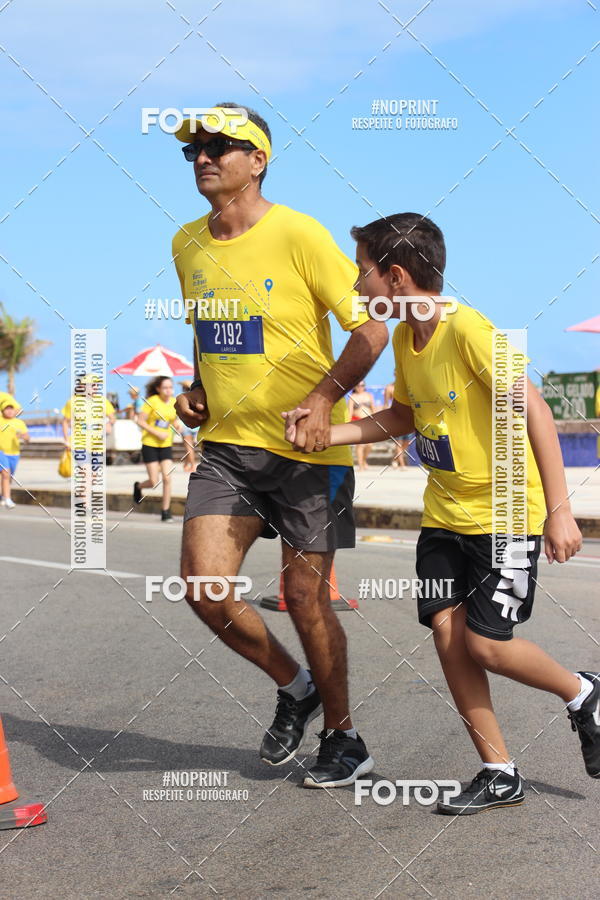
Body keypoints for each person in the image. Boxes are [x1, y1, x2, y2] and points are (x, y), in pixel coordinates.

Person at [284, 212, 600, 812]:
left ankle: (584, 692)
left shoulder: (468, 331)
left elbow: (533, 407)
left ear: (397, 277)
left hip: (504, 514)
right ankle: (498, 770)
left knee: (488, 646)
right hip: (443, 517)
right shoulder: (407, 337)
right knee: (448, 637)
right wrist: (335, 433)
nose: (356, 288)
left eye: (362, 274)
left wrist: (561, 511)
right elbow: (402, 416)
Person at [172, 102, 388, 787]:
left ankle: (345, 737)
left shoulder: (300, 234)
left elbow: (372, 328)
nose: (204, 157)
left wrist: (324, 399)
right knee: (205, 589)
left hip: (308, 455)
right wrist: (198, 388)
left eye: (220, 146)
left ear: (258, 159)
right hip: (230, 450)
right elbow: (209, 332)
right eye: (193, 150)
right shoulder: (185, 243)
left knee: (306, 598)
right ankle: (295, 687)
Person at [133, 376, 183, 522]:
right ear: (158, 389)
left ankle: (166, 511)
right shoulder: (152, 401)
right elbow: (140, 421)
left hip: (166, 444)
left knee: (167, 478)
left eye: (171, 387)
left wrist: (177, 424)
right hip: (150, 444)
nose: (169, 390)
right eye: (165, 387)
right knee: (154, 481)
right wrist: (156, 433)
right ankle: (139, 486)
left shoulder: (174, 402)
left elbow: (174, 420)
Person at [62, 380, 116, 449]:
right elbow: (65, 422)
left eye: (97, 385)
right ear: (83, 386)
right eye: (93, 385)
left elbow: (113, 418)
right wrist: (66, 440)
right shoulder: (73, 401)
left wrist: (108, 423)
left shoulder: (103, 401)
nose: (96, 387)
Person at [0, 400, 29, 507]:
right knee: (5, 473)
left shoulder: (19, 423)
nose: (9, 411)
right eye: (7, 408)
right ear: (2, 410)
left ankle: (3, 496)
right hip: (1, 452)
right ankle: (8, 499)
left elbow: (27, 438)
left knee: (8, 477)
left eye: (11, 408)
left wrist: (23, 436)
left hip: (14, 453)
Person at [384, 375, 412, 469]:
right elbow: (386, 404)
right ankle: (402, 464)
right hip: (396, 417)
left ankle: (395, 460)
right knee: (398, 443)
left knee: (407, 442)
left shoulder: (408, 385)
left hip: (408, 417)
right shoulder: (390, 388)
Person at [347, 381, 375, 471]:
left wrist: (376, 420)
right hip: (357, 421)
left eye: (362, 385)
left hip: (369, 421)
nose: (360, 387)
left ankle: (363, 460)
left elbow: (373, 408)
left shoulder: (369, 395)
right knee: (360, 445)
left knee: (370, 445)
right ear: (354, 387)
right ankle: (360, 465)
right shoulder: (352, 397)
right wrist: (348, 424)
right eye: (358, 385)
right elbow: (350, 412)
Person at [178, 380, 198, 473]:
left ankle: (193, 465)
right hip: (197, 425)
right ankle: (186, 464)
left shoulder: (182, 398)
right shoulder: (197, 397)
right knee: (190, 448)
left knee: (189, 448)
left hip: (186, 425)